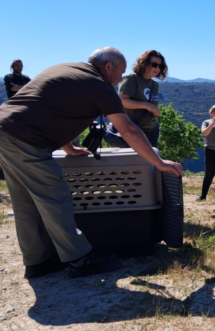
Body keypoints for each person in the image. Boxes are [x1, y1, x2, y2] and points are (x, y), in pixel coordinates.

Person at [0, 47, 183, 279]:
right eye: (121, 72)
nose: (121, 78)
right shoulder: (99, 85)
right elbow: (127, 129)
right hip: (26, 138)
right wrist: (158, 162)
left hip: (5, 128)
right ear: (108, 67)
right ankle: (80, 259)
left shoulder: (65, 69)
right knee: (56, 197)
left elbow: (51, 110)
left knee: (26, 203)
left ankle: (38, 262)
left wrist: (68, 147)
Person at [105, 50, 166, 148]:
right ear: (144, 64)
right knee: (133, 161)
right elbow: (121, 101)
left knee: (151, 162)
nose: (157, 68)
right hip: (134, 129)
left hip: (151, 129)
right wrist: (147, 105)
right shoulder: (132, 78)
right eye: (154, 64)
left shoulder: (154, 84)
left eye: (160, 66)